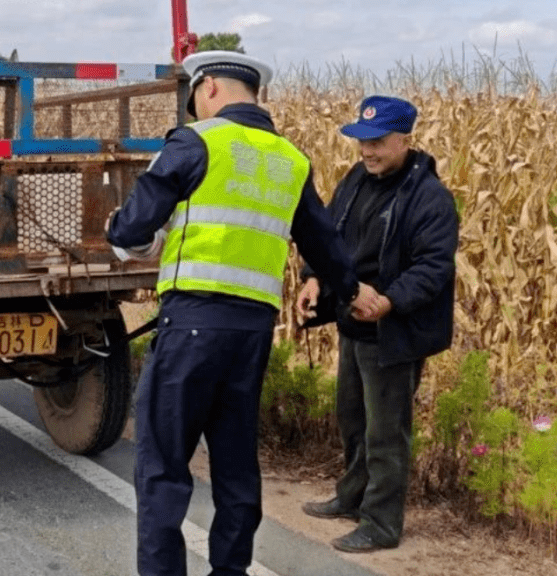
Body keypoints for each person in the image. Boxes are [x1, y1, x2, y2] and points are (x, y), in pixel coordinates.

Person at [107, 50, 379, 576]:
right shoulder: (290, 160)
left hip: (189, 326)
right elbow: (324, 244)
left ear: (208, 88)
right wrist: (351, 291)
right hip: (251, 334)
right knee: (235, 467)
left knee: (162, 468)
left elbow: (133, 229)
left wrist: (125, 237)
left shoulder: (195, 141)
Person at [296, 95, 458, 553]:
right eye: (363, 140)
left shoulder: (429, 198)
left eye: (379, 141)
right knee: (352, 418)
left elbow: (433, 268)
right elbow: (328, 234)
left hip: (393, 332)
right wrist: (313, 279)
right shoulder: (356, 179)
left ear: (405, 139)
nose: (367, 150)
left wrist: (388, 302)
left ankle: (382, 524)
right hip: (354, 322)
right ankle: (352, 498)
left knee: (385, 433)